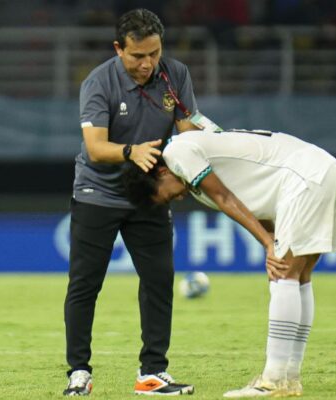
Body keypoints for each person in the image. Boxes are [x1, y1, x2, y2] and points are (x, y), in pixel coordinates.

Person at [123, 128, 336, 398]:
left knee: (283, 275)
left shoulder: (176, 152)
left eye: (168, 196)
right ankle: (289, 377)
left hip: (304, 177)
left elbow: (225, 198)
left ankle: (273, 380)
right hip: (323, 169)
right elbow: (248, 201)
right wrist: (270, 236)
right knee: (299, 276)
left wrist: (267, 243)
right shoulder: (193, 172)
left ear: (161, 173)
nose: (177, 198)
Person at [63, 8, 203, 396]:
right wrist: (131, 152)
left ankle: (152, 373)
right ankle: (79, 371)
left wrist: (187, 152)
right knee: (85, 284)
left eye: (154, 53)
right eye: (138, 55)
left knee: (159, 280)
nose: (147, 64)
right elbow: (94, 148)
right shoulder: (97, 83)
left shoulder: (176, 75)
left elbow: (188, 129)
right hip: (98, 193)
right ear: (118, 49)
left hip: (149, 195)